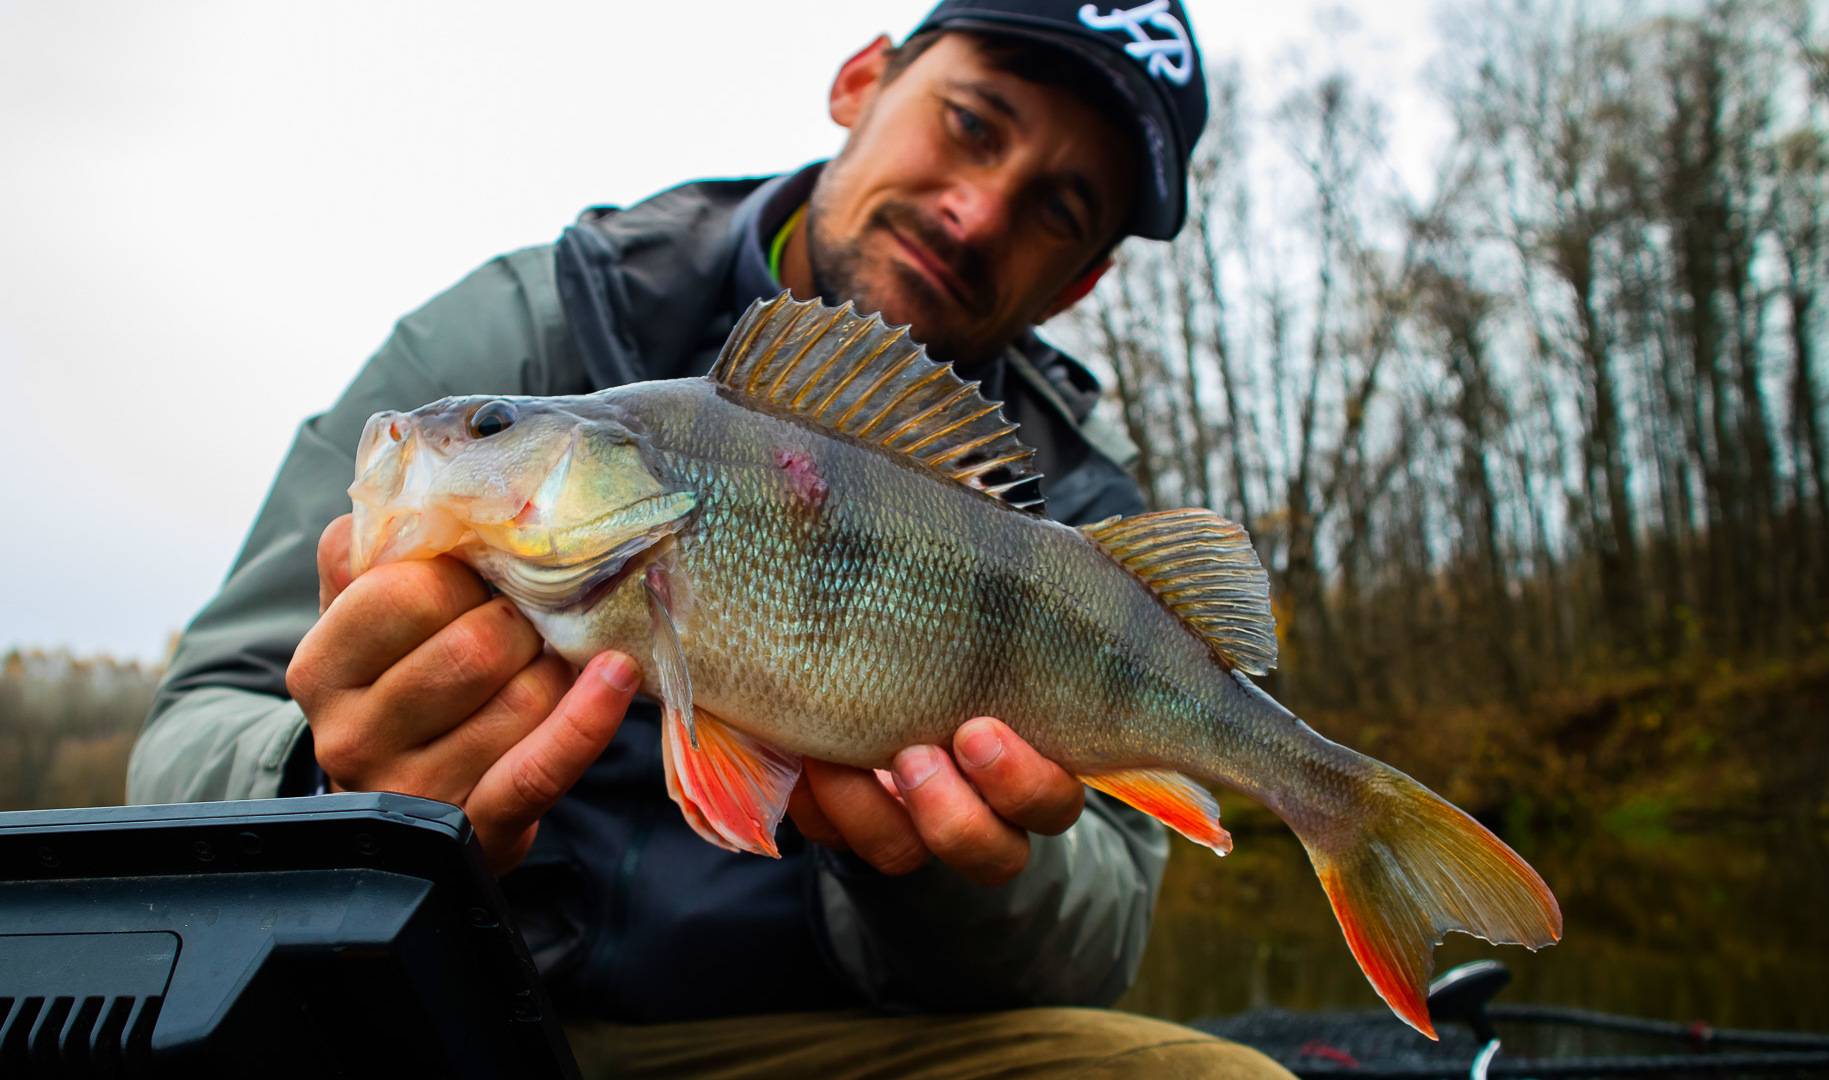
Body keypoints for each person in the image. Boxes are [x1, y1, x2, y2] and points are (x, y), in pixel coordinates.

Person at [129, 1, 1289, 1075]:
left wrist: (948, 871)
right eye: (971, 123)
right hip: (441, 1005)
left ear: (1082, 281)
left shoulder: (1072, 510)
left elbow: (1096, 947)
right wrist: (329, 782)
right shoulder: (526, 332)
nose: (977, 211)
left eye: (1057, 209)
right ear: (861, 80)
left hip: (828, 1042)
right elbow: (186, 740)